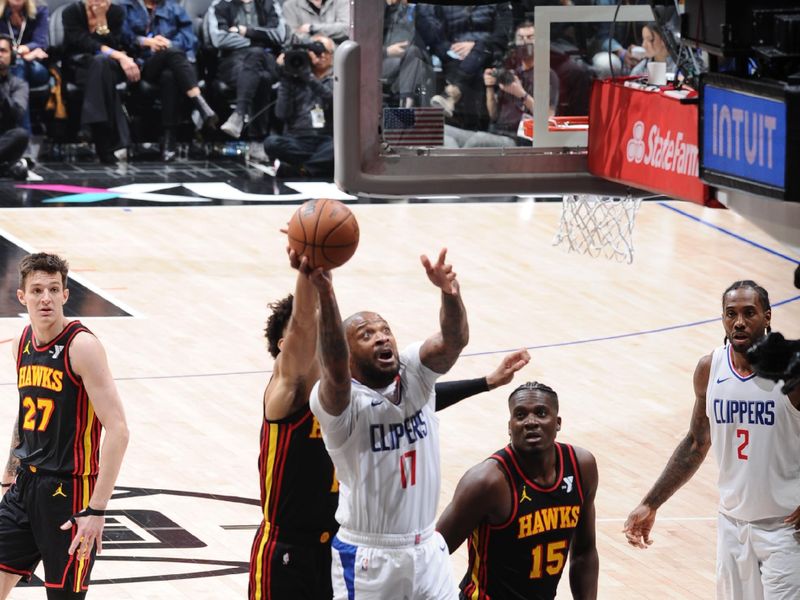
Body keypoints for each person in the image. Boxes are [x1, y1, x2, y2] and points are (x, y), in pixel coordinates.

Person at [250, 248, 530, 599]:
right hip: (292, 550)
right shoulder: (294, 393)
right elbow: (307, 328)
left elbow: (414, 403)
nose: (328, 335)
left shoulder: (374, 389)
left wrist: (485, 382)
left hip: (348, 541)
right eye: (324, 331)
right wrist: (313, 279)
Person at [306, 247, 468, 599]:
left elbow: (453, 341)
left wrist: (449, 293)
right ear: (349, 357)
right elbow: (333, 366)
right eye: (366, 334)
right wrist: (326, 292)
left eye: (385, 330)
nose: (381, 337)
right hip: (369, 558)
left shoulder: (415, 375)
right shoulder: (338, 405)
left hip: (427, 548)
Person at [624, 280, 800, 600]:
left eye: (749, 313)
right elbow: (695, 443)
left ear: (768, 317)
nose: (740, 322)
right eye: (731, 314)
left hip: (786, 531)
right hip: (732, 526)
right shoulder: (710, 368)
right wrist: (651, 503)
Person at [0, 253, 129, 599]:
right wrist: (7, 478)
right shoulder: (21, 342)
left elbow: (118, 429)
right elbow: (25, 413)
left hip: (69, 494)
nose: (46, 298)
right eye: (38, 290)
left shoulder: (82, 347)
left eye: (54, 289)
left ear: (65, 295)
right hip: (24, 486)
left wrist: (97, 509)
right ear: (22, 296)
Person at [437, 381, 599, 600]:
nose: (531, 422)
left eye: (541, 413)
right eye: (520, 415)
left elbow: (584, 552)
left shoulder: (581, 467)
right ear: (509, 426)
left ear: (558, 423)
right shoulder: (487, 482)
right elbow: (433, 552)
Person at [119, 0, 218, 161]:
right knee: (172, 54)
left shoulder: (174, 9)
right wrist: (145, 42)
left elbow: (191, 40)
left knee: (169, 75)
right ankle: (198, 102)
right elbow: (122, 36)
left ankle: (169, 139)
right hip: (143, 65)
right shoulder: (126, 7)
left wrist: (168, 43)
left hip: (174, 69)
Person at [444, 21, 559, 149]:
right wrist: (489, 88)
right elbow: (493, 114)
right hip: (495, 133)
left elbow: (548, 117)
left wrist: (521, 94)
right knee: (443, 132)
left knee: (477, 141)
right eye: (521, 38)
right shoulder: (511, 73)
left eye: (530, 38)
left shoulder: (546, 75)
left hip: (518, 140)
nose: (525, 42)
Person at [62, 0, 140, 164]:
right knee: (100, 66)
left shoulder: (116, 12)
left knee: (101, 63)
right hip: (79, 66)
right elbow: (84, 43)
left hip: (109, 67)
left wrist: (102, 21)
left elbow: (116, 43)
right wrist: (120, 56)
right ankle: (106, 143)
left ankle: (91, 129)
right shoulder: (71, 12)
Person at [207, 0, 286, 140]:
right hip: (234, 60)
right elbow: (219, 39)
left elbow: (279, 35)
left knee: (256, 54)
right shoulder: (221, 4)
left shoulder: (269, 3)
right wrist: (259, 38)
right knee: (263, 78)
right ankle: (257, 141)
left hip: (266, 58)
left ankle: (239, 114)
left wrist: (245, 31)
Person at [263, 34, 334, 178]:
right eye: (316, 52)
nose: (320, 56)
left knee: (343, 148)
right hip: (297, 139)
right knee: (271, 143)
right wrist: (285, 79)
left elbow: (333, 101)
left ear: (332, 56)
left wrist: (310, 78)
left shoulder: (336, 80)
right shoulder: (292, 80)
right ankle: (318, 165)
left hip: (325, 139)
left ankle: (302, 169)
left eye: (324, 52)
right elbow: (281, 114)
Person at [0, 0, 48, 133]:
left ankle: (22, 136)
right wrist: (19, 53)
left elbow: (40, 42)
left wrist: (20, 52)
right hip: (6, 65)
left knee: (17, 64)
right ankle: (21, 139)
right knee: (16, 64)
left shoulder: (40, 10)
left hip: (35, 66)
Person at [382, 0, 433, 108]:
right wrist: (387, 51)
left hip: (412, 59)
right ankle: (406, 106)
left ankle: (404, 108)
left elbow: (432, 37)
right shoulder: (377, 8)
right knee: (415, 61)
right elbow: (365, 44)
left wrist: (416, 9)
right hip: (382, 60)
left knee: (414, 55)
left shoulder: (416, 9)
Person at [0, 33, 29, 179]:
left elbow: (17, 113)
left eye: (3, 51)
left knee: (20, 135)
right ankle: (7, 168)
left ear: (11, 55)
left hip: (3, 139)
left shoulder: (18, 84)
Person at [281, 0, 349, 46]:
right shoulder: (290, 5)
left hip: (338, 53)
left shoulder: (341, 1)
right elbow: (292, 37)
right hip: (306, 54)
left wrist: (312, 28)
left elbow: (348, 29)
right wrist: (317, 40)